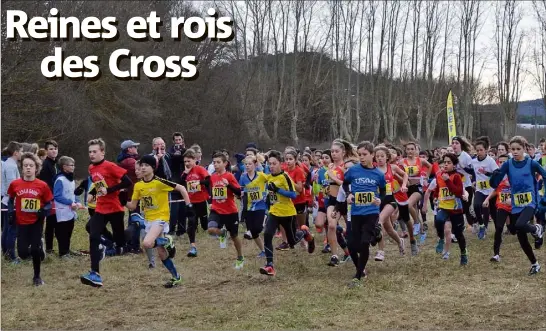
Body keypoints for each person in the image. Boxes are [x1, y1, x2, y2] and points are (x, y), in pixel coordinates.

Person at [126, 155, 193, 288]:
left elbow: (182, 188)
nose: (143, 168)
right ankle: (176, 277)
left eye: (146, 165)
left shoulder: (160, 182)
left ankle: (168, 241)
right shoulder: (138, 185)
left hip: (161, 218)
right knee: (161, 252)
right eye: (142, 165)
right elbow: (133, 206)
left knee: (147, 243)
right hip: (149, 220)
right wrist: (122, 200)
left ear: (153, 168)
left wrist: (188, 205)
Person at [80, 138, 132, 287]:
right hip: (101, 208)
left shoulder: (110, 166)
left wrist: (109, 190)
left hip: (115, 208)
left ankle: (135, 226)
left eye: (95, 151)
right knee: (92, 232)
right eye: (90, 152)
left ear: (102, 152)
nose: (91, 154)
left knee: (121, 240)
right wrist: (94, 191)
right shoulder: (91, 168)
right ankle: (94, 273)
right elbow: (99, 184)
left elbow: (127, 182)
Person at [490, 136, 544, 275]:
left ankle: (536, 228)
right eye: (512, 149)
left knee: (520, 225)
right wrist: (494, 176)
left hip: (530, 202)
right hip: (516, 203)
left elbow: (545, 174)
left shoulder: (531, 163)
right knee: (520, 236)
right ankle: (535, 264)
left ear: (524, 149)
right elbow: (495, 184)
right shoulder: (508, 164)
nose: (515, 152)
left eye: (518, 149)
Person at [259, 151, 315, 276]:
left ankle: (305, 232)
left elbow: (294, 194)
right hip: (274, 212)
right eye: (270, 164)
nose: (271, 166)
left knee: (292, 241)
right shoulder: (270, 176)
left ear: (280, 164)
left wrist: (278, 190)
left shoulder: (285, 177)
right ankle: (270, 266)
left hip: (287, 213)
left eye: (274, 164)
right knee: (267, 234)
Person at [343, 141, 385, 287]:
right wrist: (349, 194)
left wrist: (379, 199)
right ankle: (376, 235)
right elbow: (344, 183)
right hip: (356, 212)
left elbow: (384, 190)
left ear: (372, 155)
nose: (361, 157)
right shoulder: (353, 170)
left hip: (371, 212)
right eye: (359, 154)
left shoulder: (378, 174)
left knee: (365, 243)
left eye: (364, 155)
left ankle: (358, 275)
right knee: (352, 246)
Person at [7, 153, 53, 286]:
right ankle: (39, 249)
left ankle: (37, 277)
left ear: (36, 168)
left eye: (31, 165)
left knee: (34, 250)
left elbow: (49, 202)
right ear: (22, 168)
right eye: (25, 165)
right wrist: (10, 212)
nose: (28, 168)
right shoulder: (15, 184)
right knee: (22, 253)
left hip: (36, 222)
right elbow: (10, 199)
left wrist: (44, 210)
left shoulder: (42, 185)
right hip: (21, 222)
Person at [422, 154, 468, 263]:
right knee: (438, 220)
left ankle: (463, 253)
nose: (446, 164)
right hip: (443, 207)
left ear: (454, 165)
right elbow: (438, 189)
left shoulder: (456, 176)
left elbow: (458, 192)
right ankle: (441, 239)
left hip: (455, 209)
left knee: (458, 233)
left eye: (449, 162)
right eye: (445, 162)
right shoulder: (439, 176)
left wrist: (448, 181)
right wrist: (435, 197)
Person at [207, 152, 245, 269]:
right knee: (211, 229)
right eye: (214, 162)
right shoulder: (212, 177)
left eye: (218, 162)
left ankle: (240, 257)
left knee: (234, 236)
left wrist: (228, 185)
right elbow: (212, 192)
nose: (216, 165)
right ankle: (222, 233)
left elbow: (239, 193)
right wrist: (210, 203)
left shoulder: (229, 176)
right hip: (216, 210)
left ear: (225, 163)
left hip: (230, 211)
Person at [180, 149, 210, 257]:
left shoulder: (200, 169)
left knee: (204, 223)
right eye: (185, 162)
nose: (187, 164)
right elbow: (180, 184)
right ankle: (193, 245)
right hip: (190, 201)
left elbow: (208, 181)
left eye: (189, 161)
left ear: (194, 160)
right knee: (192, 222)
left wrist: (199, 182)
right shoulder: (185, 172)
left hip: (201, 199)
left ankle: (208, 227)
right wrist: (185, 174)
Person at [239, 155, 267, 257]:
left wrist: (265, 192)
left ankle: (264, 219)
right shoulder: (243, 177)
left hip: (260, 205)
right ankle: (263, 250)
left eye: (249, 164)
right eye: (246, 164)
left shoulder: (261, 175)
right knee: (253, 232)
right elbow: (241, 188)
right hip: (249, 207)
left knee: (257, 229)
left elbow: (270, 180)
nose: (247, 166)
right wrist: (241, 193)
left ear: (255, 165)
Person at [53, 156, 81, 258]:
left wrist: (77, 201)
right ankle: (63, 253)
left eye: (74, 165)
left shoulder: (71, 180)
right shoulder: (60, 179)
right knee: (63, 233)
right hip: (62, 211)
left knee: (69, 231)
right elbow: (57, 195)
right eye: (71, 165)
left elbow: (73, 194)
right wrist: (70, 202)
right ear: (64, 167)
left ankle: (67, 250)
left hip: (71, 211)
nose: (73, 167)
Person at [117, 139, 140, 251]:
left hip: (131, 194)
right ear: (129, 149)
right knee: (136, 220)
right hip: (133, 194)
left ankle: (131, 243)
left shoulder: (127, 160)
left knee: (133, 219)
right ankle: (133, 245)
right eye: (134, 147)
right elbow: (142, 170)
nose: (136, 148)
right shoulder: (129, 162)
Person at [1, 141, 22, 262]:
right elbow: (12, 186)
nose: (22, 154)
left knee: (6, 229)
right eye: (21, 151)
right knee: (11, 230)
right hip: (10, 202)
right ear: (16, 153)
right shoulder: (11, 166)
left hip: (7, 200)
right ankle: (11, 255)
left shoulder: (9, 164)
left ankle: (6, 253)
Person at [38, 140, 59, 254]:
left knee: (53, 223)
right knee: (50, 224)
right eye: (51, 149)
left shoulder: (54, 163)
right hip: (48, 198)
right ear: (46, 151)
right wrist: (51, 198)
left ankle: (50, 248)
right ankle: (49, 248)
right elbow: (45, 184)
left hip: (54, 197)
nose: (54, 151)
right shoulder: (46, 165)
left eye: (55, 148)